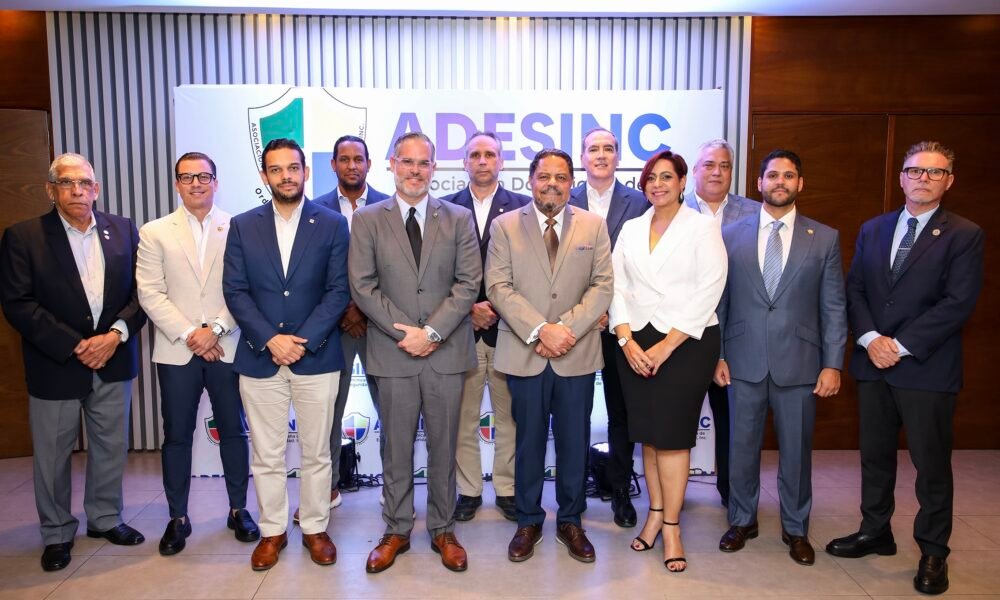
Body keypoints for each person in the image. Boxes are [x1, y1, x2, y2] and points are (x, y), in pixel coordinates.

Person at [827, 141, 984, 595]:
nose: (923, 179)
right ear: (901, 177)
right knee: (874, 457)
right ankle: (875, 531)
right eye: (915, 171)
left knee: (930, 465)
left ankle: (934, 552)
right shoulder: (874, 228)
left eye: (935, 172)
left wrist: (898, 345)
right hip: (873, 363)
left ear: (949, 181)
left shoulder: (964, 234)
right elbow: (855, 289)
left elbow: (958, 302)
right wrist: (870, 339)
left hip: (926, 368)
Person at [0, 153, 147, 572]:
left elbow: (143, 293)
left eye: (85, 183)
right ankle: (57, 532)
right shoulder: (24, 236)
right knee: (52, 456)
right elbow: (18, 303)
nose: (77, 191)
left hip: (113, 357)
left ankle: (104, 519)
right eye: (67, 183)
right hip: (56, 364)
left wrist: (114, 336)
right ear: (51, 190)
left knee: (111, 447)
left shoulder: (123, 230)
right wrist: (76, 345)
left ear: (96, 189)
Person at [349, 132, 481, 574]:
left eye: (423, 163)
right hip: (394, 351)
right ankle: (397, 529)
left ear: (434, 168)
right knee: (395, 447)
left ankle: (443, 529)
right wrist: (407, 333)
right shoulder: (368, 219)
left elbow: (468, 283)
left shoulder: (459, 218)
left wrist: (433, 333)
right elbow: (363, 285)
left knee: (444, 447)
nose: (415, 171)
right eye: (407, 162)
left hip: (445, 352)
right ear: (392, 164)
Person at [223, 138, 350, 571]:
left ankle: (314, 527)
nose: (286, 176)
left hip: (317, 355)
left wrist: (302, 340)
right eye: (276, 169)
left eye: (293, 168)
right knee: (266, 454)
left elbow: (338, 290)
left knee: (317, 452)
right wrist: (270, 339)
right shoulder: (243, 225)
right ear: (264, 176)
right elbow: (235, 290)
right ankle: (273, 530)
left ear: (305, 172)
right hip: (260, 356)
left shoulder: (332, 223)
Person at [714, 150, 847, 566]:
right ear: (759, 182)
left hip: (801, 363)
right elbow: (719, 302)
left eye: (789, 176)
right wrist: (718, 355)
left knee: (797, 452)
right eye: (772, 175)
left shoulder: (824, 237)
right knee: (741, 448)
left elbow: (834, 306)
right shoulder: (729, 234)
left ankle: (796, 528)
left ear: (800, 184)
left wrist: (833, 363)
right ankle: (741, 520)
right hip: (742, 360)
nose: (780, 182)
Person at [487, 148, 613, 564]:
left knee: (575, 442)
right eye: (545, 177)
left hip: (576, 354)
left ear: (571, 182)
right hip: (525, 352)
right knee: (528, 442)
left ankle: (571, 520)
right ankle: (528, 520)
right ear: (531, 180)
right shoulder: (505, 226)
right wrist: (541, 330)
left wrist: (565, 331)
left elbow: (602, 286)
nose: (552, 184)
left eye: (561, 177)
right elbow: (499, 287)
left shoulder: (593, 225)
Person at [136, 152, 259, 556]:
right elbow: (150, 293)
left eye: (204, 176)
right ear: (176, 184)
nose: (196, 183)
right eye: (187, 177)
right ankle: (178, 517)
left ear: (216, 182)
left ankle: (238, 509)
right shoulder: (155, 232)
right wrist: (192, 334)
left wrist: (217, 329)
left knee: (234, 431)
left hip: (227, 345)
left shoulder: (238, 227)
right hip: (178, 349)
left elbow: (245, 287)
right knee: (176, 435)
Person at [611, 150, 727, 572]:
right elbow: (614, 286)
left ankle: (673, 527)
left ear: (682, 183)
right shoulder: (631, 228)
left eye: (666, 177)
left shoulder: (702, 227)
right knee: (649, 435)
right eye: (651, 178)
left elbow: (710, 288)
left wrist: (666, 345)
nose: (657, 184)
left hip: (687, 342)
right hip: (636, 342)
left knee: (673, 437)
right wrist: (626, 340)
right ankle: (655, 515)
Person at [442, 131, 530, 522]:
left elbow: (529, 272)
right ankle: (469, 490)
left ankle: (507, 489)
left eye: (490, 154)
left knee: (509, 416)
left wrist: (497, 307)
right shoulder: (445, 209)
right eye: (475, 154)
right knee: (462, 417)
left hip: (509, 329)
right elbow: (438, 272)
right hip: (460, 330)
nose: (482, 160)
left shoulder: (523, 208)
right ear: (464, 162)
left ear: (501, 161)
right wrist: (467, 310)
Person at [568, 127, 649, 528]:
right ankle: (573, 489)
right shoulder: (564, 199)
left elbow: (643, 265)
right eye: (593, 149)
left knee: (622, 411)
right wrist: (586, 313)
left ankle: (619, 489)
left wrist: (612, 312)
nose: (601, 155)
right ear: (583, 157)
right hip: (575, 323)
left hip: (623, 324)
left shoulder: (640, 202)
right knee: (574, 411)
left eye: (608, 149)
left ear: (618, 156)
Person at [309, 135, 390, 516]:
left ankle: (395, 488)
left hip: (380, 326)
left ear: (369, 164)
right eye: (344, 159)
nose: (352, 165)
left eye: (359, 159)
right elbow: (313, 270)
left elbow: (395, 269)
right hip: (334, 327)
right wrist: (344, 309)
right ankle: (326, 488)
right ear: (333, 164)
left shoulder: (390, 206)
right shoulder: (315, 209)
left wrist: (365, 309)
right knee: (328, 413)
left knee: (393, 411)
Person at [683, 138, 760, 508]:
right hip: (683, 334)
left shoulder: (756, 213)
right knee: (677, 421)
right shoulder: (670, 210)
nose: (716, 172)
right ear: (695, 171)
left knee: (733, 420)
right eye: (709, 165)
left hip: (736, 334)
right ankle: (671, 496)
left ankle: (733, 494)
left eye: (724, 165)